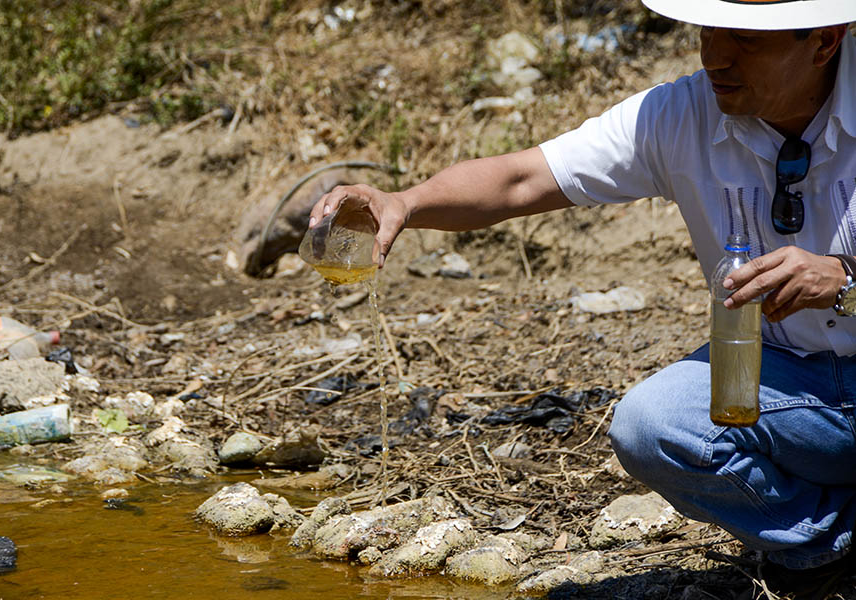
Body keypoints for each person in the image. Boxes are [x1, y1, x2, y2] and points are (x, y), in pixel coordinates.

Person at [307, 1, 856, 597]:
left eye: (745, 41)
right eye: (709, 31)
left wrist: (846, 280)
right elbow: (522, 178)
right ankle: (829, 545)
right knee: (655, 424)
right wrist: (405, 203)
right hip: (784, 388)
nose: (715, 55)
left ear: (824, 42)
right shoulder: (679, 115)